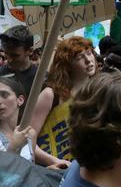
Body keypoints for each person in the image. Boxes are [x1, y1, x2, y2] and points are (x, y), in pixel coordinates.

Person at [31, 37, 96, 167]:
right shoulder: (50, 95)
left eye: (89, 53)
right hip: (52, 170)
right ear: (67, 64)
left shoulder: (99, 92)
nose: (88, 60)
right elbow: (28, 140)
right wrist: (55, 161)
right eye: (79, 57)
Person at [0, 25, 37, 127]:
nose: (9, 60)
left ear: (29, 51)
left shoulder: (41, 79)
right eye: (6, 54)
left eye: (15, 55)